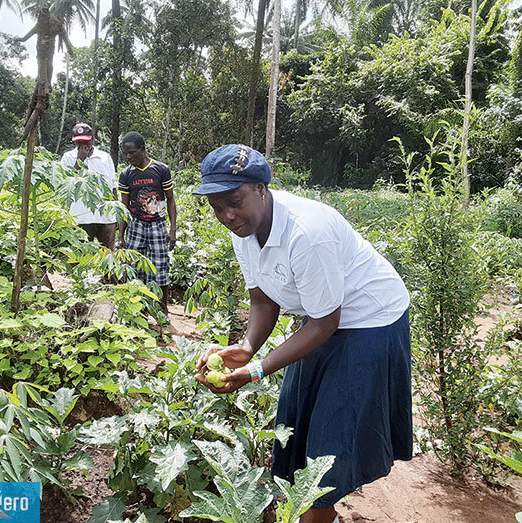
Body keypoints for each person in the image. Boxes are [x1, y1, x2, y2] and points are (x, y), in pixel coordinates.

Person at [194, 144, 412, 523]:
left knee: (331, 441)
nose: (226, 215)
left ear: (261, 188)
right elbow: (263, 301)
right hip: (321, 319)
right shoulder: (243, 230)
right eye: (216, 207)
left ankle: (320, 511)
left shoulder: (306, 233)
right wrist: (247, 348)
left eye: (234, 201)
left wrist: (258, 369)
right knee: (297, 425)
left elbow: (326, 323)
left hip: (370, 322)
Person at [118, 132, 177, 313]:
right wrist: (121, 236)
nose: (129, 157)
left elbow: (170, 200)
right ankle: (139, 310)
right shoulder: (126, 174)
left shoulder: (160, 170)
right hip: (136, 225)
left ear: (143, 150)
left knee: (160, 266)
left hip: (157, 224)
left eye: (132, 153)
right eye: (126, 153)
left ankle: (162, 309)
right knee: (135, 269)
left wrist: (173, 230)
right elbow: (124, 205)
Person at [61, 123, 118, 250]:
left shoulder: (104, 157)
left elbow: (112, 186)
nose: (82, 145)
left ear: (92, 139)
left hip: (105, 216)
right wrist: (79, 161)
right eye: (79, 142)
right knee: (78, 254)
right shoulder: (68, 157)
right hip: (80, 216)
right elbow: (66, 185)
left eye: (85, 141)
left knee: (108, 253)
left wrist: (117, 213)